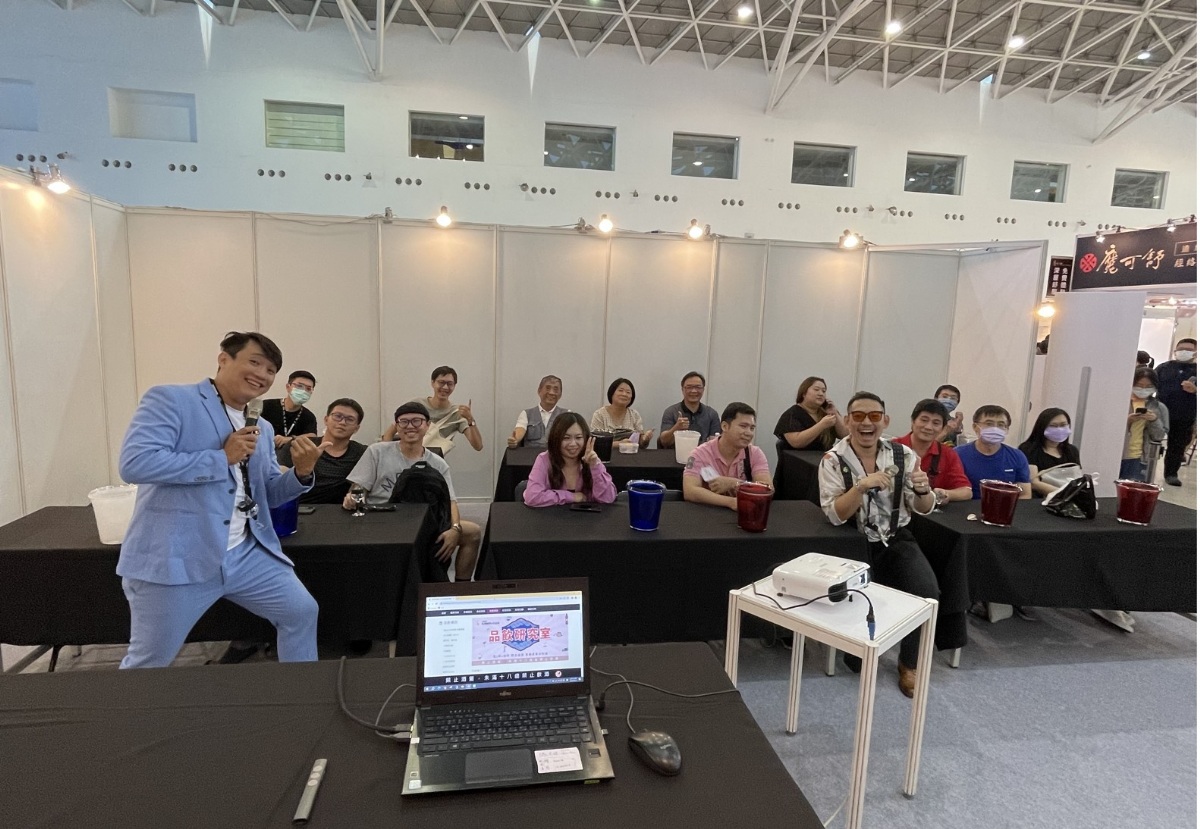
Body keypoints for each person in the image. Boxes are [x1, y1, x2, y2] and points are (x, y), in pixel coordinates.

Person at [115, 331, 321, 669]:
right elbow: (135, 464)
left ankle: (301, 695)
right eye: (255, 362)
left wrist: (302, 472)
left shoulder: (263, 428)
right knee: (149, 662)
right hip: (179, 557)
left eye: (271, 370)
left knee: (301, 611)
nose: (262, 374)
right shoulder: (172, 400)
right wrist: (220, 458)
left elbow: (268, 492)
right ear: (224, 359)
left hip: (245, 553)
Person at [816, 392, 939, 698]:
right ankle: (857, 650)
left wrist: (924, 492)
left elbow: (922, 507)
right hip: (852, 541)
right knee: (858, 622)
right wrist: (860, 486)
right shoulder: (833, 460)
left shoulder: (903, 455)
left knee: (927, 591)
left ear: (885, 421)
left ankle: (910, 664)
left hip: (896, 536)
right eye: (858, 416)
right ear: (847, 421)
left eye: (874, 416)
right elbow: (835, 515)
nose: (866, 423)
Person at [348, 402, 481, 581]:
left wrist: (455, 529)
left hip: (423, 522)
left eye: (417, 421)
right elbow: (358, 488)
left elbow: (450, 500)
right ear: (397, 426)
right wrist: (352, 497)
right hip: (382, 518)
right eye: (404, 422)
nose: (410, 426)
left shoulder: (438, 463)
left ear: (427, 426)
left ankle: (460, 588)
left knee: (473, 532)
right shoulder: (377, 451)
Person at [682, 402, 772, 509]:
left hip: (744, 512)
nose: (749, 433)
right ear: (725, 426)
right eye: (743, 426)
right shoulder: (699, 454)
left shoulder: (755, 453)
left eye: (752, 428)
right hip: (708, 512)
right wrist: (731, 502)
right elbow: (690, 491)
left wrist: (735, 483)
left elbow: (768, 489)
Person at [278, 398, 368, 505]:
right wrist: (302, 472)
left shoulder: (363, 453)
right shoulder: (301, 445)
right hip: (300, 508)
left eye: (350, 419)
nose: (342, 422)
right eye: (337, 416)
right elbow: (279, 479)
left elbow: (365, 483)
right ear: (326, 420)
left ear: (357, 428)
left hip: (340, 510)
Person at [383, 366, 483, 457]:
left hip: (433, 464)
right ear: (432, 383)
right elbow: (390, 432)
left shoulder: (456, 413)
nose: (445, 387)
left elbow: (478, 446)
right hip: (405, 458)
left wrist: (470, 420)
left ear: (454, 386)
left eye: (450, 384)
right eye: (441, 382)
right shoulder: (417, 404)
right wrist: (387, 456)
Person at [522, 413, 617, 507]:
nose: (573, 444)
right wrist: (572, 497)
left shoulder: (592, 460)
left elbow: (607, 498)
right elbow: (532, 497)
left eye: (578, 438)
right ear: (556, 439)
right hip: (552, 516)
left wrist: (595, 466)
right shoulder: (544, 459)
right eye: (566, 438)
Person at [894, 399, 973, 505]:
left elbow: (966, 492)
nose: (928, 427)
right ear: (913, 421)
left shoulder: (948, 454)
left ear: (943, 428)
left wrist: (944, 494)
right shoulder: (891, 447)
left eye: (936, 423)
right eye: (924, 420)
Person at [955, 405, 1032, 500]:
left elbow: (1025, 495)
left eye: (1001, 425)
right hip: (968, 506)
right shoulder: (958, 454)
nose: (995, 429)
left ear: (1007, 429)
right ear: (975, 427)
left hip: (1005, 506)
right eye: (989, 424)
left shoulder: (1017, 456)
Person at [1154, 338, 1196, 486]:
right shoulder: (1163, 368)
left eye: (1189, 350)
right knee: (1151, 441)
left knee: (1177, 446)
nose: (1184, 352)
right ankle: (1143, 470)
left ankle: (1171, 473)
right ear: (1175, 351)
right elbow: (1150, 384)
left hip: (1185, 415)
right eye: (1181, 349)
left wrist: (1195, 390)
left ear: (1195, 353)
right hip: (1159, 413)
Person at [1017, 408, 1082, 497]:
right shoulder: (1028, 449)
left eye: (1063, 425)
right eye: (1053, 426)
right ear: (1042, 427)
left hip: (1069, 499)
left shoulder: (1072, 450)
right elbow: (1033, 483)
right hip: (1040, 500)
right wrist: (1064, 494)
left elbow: (1078, 478)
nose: (1059, 429)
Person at [773, 376, 847, 453]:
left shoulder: (826, 412)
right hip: (799, 458)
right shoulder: (791, 414)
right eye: (816, 390)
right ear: (804, 393)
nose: (821, 394)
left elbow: (845, 435)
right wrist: (821, 425)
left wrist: (835, 413)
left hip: (826, 458)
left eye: (823, 391)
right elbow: (796, 442)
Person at [1120, 368, 1169, 482]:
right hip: (1117, 454)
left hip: (1139, 457)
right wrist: (1127, 421)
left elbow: (1159, 436)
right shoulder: (1121, 402)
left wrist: (1154, 420)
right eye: (1139, 385)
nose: (1143, 389)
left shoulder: (1159, 408)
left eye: (1148, 386)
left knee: (1132, 489)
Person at [658, 371, 721, 448]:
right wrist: (676, 428)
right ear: (682, 389)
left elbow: (715, 443)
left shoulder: (711, 413)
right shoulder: (671, 411)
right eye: (689, 387)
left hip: (703, 454)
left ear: (703, 389)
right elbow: (664, 442)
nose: (694, 391)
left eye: (698, 387)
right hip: (675, 453)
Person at [261, 370, 318, 448]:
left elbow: (312, 437)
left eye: (308, 389)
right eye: (299, 386)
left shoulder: (309, 417)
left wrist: (290, 439)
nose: (303, 391)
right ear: (288, 387)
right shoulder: (266, 405)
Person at [507, 375, 567, 448]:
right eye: (548, 388)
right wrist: (515, 440)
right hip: (531, 455)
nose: (551, 392)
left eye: (555, 389)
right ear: (539, 391)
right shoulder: (526, 414)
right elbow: (520, 429)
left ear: (560, 394)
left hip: (556, 455)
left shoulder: (567, 415)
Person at [590, 378, 653, 447]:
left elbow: (640, 445)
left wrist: (645, 439)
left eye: (628, 392)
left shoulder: (634, 415)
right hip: (606, 453)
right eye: (620, 390)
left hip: (630, 453)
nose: (624, 394)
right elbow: (595, 443)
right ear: (612, 393)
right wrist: (619, 444)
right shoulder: (599, 414)